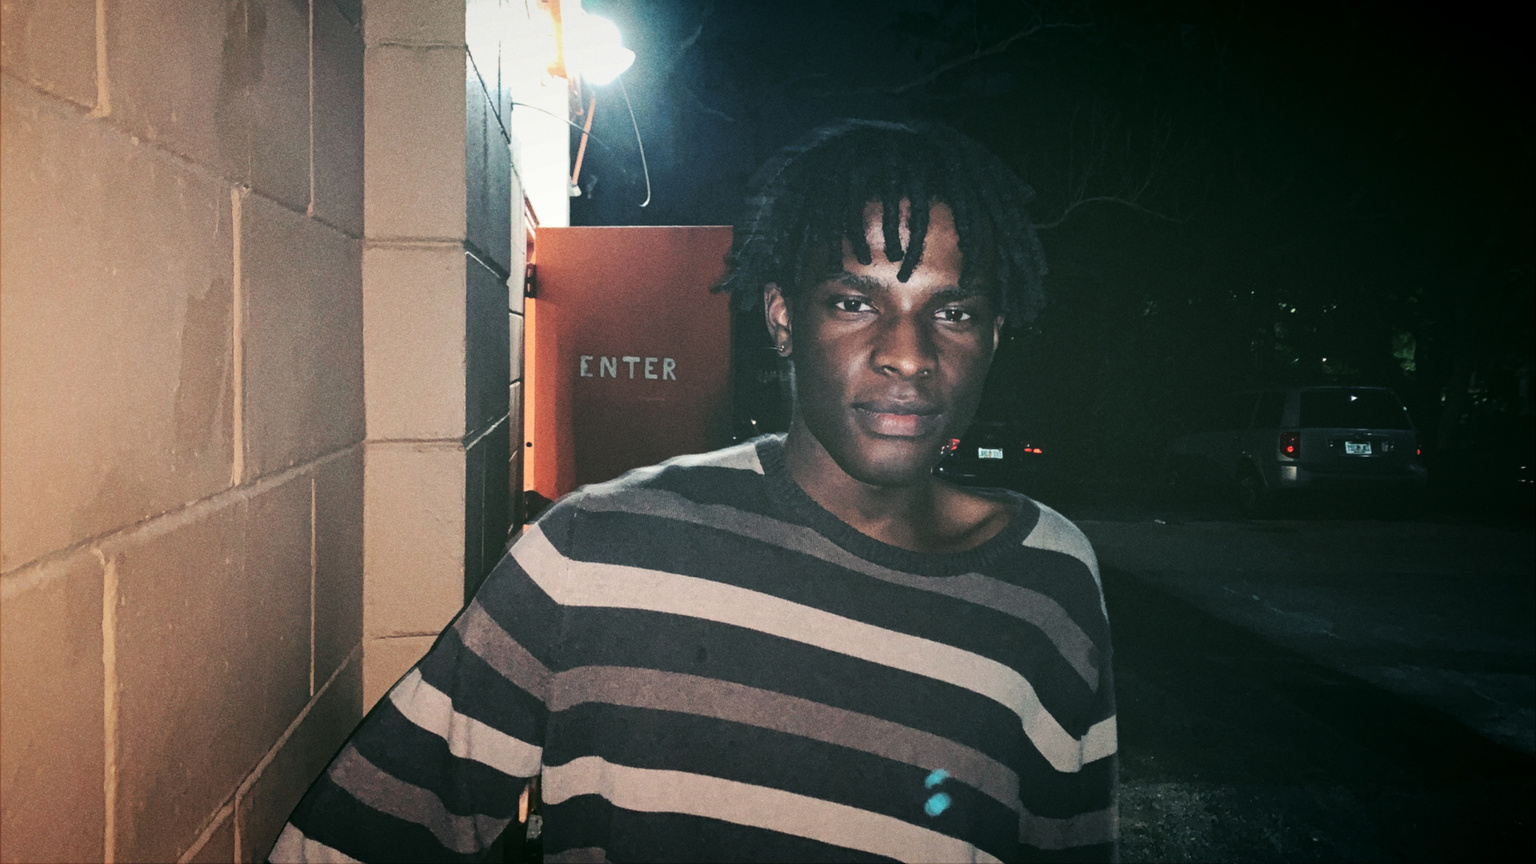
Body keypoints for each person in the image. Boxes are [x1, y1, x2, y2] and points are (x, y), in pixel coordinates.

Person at [272, 119, 1116, 863]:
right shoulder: (597, 552)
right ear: (783, 320)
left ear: (993, 336)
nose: (909, 353)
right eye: (855, 302)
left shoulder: (1048, 579)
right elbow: (354, 839)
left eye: (953, 312)